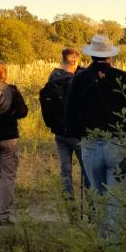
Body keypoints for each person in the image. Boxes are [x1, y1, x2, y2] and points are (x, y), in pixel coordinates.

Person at [65, 35, 126, 239]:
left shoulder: (79, 79)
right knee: (115, 202)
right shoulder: (122, 77)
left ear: (91, 54)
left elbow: (70, 113)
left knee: (99, 201)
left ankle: (103, 248)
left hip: (90, 145)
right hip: (116, 144)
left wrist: (78, 136)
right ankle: (114, 251)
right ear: (110, 55)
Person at [39, 47, 90, 199]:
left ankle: (69, 204)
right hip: (77, 133)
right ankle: (92, 207)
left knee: (65, 169)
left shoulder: (53, 78)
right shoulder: (77, 80)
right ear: (75, 61)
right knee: (86, 169)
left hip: (59, 132)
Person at [0, 60, 28, 226]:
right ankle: (4, 217)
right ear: (4, 74)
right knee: (8, 177)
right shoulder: (12, 90)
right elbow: (23, 112)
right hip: (9, 137)